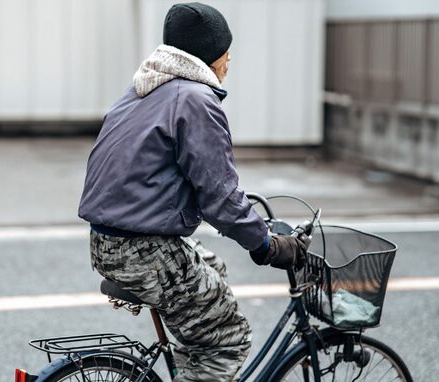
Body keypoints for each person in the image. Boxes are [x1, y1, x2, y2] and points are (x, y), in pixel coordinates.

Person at [78, 2, 309, 381]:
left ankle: (193, 366)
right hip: (145, 249)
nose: (229, 60)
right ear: (208, 54)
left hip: (109, 242)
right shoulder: (196, 99)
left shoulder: (144, 89)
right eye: (225, 52)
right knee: (227, 341)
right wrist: (266, 245)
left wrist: (242, 217)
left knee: (212, 271)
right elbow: (220, 196)